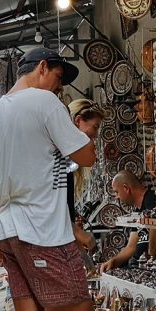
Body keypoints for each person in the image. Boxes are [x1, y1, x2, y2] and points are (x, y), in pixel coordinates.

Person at [0, 47, 97, 311]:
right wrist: (79, 131)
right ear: (42, 67)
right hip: (43, 230)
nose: (61, 86)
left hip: (9, 232)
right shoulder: (45, 102)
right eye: (58, 76)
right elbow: (87, 157)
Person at [100, 171, 156, 272]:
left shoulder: (151, 200)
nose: (117, 197)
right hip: (137, 265)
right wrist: (113, 261)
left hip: (148, 268)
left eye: (117, 192)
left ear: (126, 188)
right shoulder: (137, 211)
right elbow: (131, 247)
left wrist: (150, 260)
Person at [67, 99, 104, 253]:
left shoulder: (70, 163)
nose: (95, 135)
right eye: (94, 127)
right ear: (78, 121)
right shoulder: (61, 160)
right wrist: (77, 232)